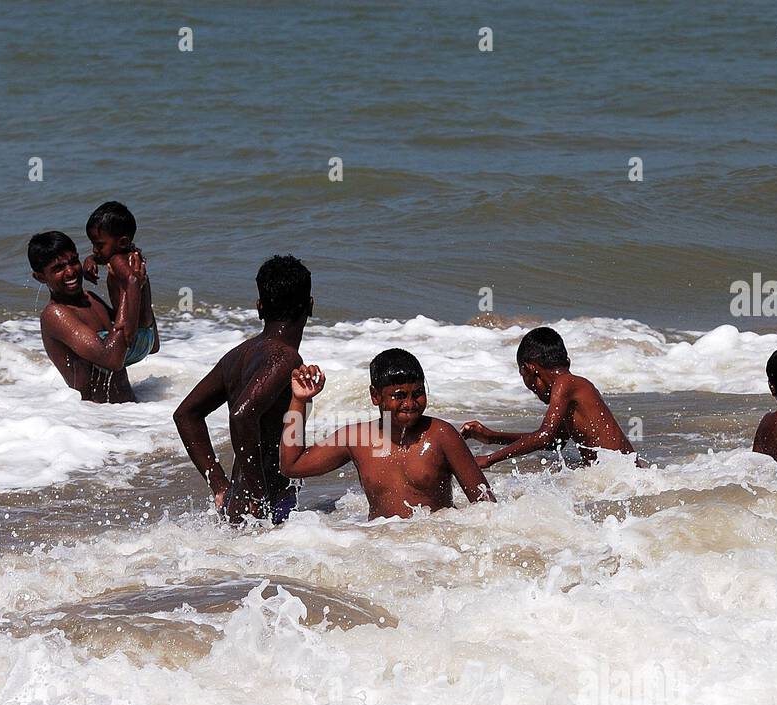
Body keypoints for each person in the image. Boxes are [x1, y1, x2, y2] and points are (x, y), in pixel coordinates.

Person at [279, 349, 494, 519]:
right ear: (375, 396)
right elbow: (292, 466)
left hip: (435, 549)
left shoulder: (440, 435)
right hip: (382, 548)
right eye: (399, 396)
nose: (410, 403)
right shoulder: (358, 438)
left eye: (418, 393)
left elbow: (486, 506)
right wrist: (300, 401)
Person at [174, 255, 311, 522]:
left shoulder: (238, 355)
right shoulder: (285, 358)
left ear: (260, 307)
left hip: (239, 504)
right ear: (310, 306)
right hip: (264, 508)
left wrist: (218, 483)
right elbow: (242, 415)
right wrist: (259, 497)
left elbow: (186, 415)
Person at [462, 327, 634, 468]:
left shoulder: (565, 383)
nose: (533, 390)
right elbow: (552, 443)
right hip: (625, 474)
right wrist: (491, 437)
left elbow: (543, 436)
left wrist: (489, 459)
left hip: (624, 476)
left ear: (529, 369)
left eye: (524, 377)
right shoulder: (575, 387)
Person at [29, 230, 140, 403]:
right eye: (58, 268)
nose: (70, 272)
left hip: (129, 413)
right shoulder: (55, 315)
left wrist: (130, 276)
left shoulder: (91, 299)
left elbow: (148, 341)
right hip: (95, 419)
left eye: (74, 262)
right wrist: (129, 288)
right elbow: (111, 360)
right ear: (40, 277)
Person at [82, 201, 160, 366]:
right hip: (147, 336)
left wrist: (128, 329)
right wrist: (91, 260)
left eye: (99, 245)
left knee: (83, 347)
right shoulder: (131, 256)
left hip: (133, 336)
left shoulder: (117, 260)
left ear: (122, 243)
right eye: (92, 244)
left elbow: (133, 281)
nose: (94, 250)